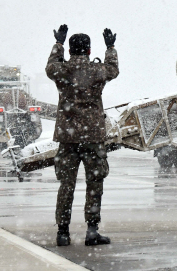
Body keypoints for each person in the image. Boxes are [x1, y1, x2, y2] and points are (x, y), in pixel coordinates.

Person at [46, 24, 119, 246]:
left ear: (70, 51)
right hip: (93, 137)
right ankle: (92, 231)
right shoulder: (97, 71)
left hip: (68, 138)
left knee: (66, 185)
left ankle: (63, 232)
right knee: (94, 183)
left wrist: (57, 44)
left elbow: (50, 66)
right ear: (88, 51)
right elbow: (113, 69)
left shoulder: (62, 71)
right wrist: (110, 47)